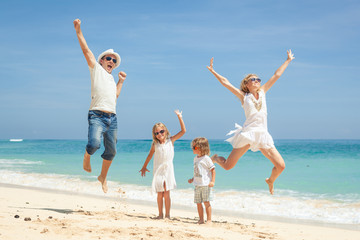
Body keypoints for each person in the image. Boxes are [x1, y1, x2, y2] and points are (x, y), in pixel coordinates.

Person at [207, 50, 295, 195]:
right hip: (248, 134)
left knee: (281, 166)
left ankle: (270, 180)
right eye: (253, 80)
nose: (257, 81)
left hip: (263, 135)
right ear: (246, 84)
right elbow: (225, 83)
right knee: (228, 166)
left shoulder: (263, 92)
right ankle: (216, 158)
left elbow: (276, 75)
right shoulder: (244, 96)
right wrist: (213, 71)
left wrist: (288, 60)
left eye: (258, 79)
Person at [73, 19, 127, 193]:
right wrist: (78, 30)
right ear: (102, 60)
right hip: (96, 115)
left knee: (111, 151)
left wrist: (121, 81)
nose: (111, 61)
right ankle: (86, 157)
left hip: (113, 117)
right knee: (94, 144)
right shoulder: (95, 69)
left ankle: (103, 176)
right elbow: (86, 51)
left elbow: (115, 96)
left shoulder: (111, 79)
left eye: (114, 60)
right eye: (109, 59)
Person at [139, 110, 186, 219]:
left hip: (168, 170)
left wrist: (179, 117)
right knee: (160, 193)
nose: (159, 134)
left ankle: (168, 215)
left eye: (161, 131)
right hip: (158, 170)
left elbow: (183, 131)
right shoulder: (155, 144)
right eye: (157, 133)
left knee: (167, 193)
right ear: (154, 135)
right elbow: (150, 155)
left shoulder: (171, 140)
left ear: (165, 131)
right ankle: (160, 215)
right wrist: (144, 166)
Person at [188, 137, 215, 224]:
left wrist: (212, 181)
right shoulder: (195, 159)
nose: (192, 149)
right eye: (192, 147)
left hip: (205, 184)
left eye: (194, 147)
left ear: (201, 148)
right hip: (197, 184)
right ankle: (201, 219)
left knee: (206, 202)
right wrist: (193, 178)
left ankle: (209, 220)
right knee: (198, 203)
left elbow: (213, 170)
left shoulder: (207, 158)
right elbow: (197, 171)